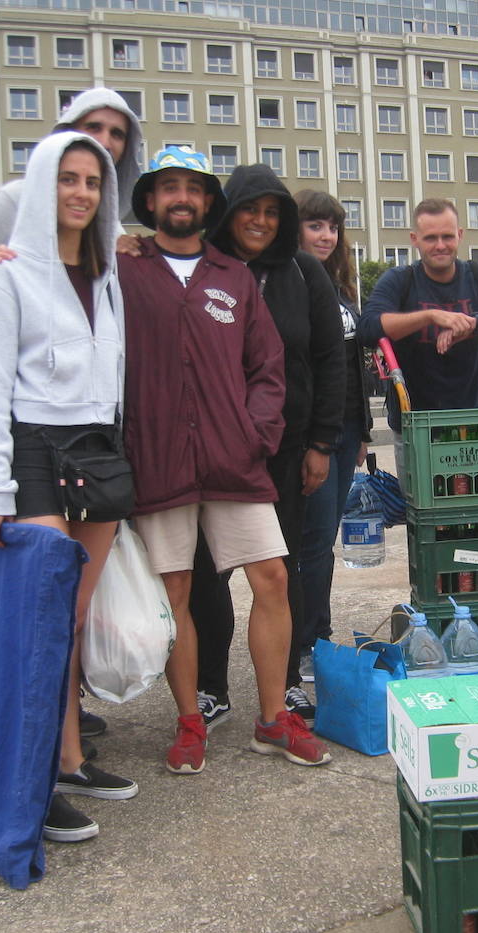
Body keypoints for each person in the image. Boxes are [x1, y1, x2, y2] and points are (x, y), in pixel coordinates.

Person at [117, 146, 332, 772]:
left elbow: (267, 366)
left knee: (272, 579)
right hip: (158, 459)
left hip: (233, 461)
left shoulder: (232, 277)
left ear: (208, 202)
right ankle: (190, 721)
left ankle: (272, 718)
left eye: (193, 188)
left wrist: (256, 433)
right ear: (152, 200)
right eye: (169, 187)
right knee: (175, 590)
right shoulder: (126, 271)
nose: (181, 197)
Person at [0, 132, 138, 844]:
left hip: (97, 447)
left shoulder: (106, 278)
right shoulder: (6, 277)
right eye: (67, 179)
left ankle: (69, 757)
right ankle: (30, 783)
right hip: (34, 449)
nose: (81, 193)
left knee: (72, 620)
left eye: (93, 182)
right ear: (43, 186)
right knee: (42, 622)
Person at [187, 166, 345, 728]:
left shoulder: (303, 272)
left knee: (281, 570)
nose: (260, 220)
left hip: (284, 447)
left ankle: (280, 689)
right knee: (206, 573)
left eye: (272, 211)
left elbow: (330, 358)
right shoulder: (203, 268)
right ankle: (211, 686)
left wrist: (321, 442)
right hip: (207, 450)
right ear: (228, 211)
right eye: (249, 208)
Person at [0, 87, 146, 436]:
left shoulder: (111, 225)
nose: (105, 140)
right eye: (94, 127)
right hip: (25, 423)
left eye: (117, 134)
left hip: (95, 431)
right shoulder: (13, 201)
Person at [357, 199, 478, 470]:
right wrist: (430, 316)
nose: (440, 245)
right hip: (415, 426)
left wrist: (474, 323)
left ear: (460, 235)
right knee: (419, 510)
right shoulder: (400, 280)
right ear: (415, 239)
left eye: (447, 236)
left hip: (473, 423)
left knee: (473, 508)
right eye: (431, 238)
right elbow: (368, 328)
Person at [288, 189, 372, 693]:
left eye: (333, 227)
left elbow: (352, 369)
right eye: (315, 225)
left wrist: (360, 431)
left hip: (343, 435)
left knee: (323, 544)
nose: (326, 235)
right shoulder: (291, 281)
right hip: (311, 437)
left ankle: (316, 635)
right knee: (313, 544)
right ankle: (304, 644)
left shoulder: (338, 287)